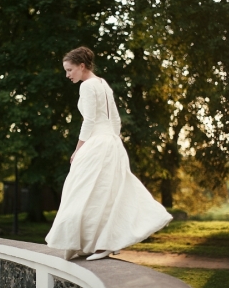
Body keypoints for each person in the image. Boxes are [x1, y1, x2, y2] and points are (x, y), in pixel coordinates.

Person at [45, 46, 173, 261]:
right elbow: (115, 120)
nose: (67, 75)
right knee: (103, 194)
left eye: (69, 70)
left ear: (82, 66)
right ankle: (95, 243)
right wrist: (113, 141)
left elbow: (89, 121)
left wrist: (79, 149)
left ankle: (99, 244)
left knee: (84, 192)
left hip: (97, 143)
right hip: (111, 143)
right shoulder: (103, 84)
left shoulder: (86, 86)